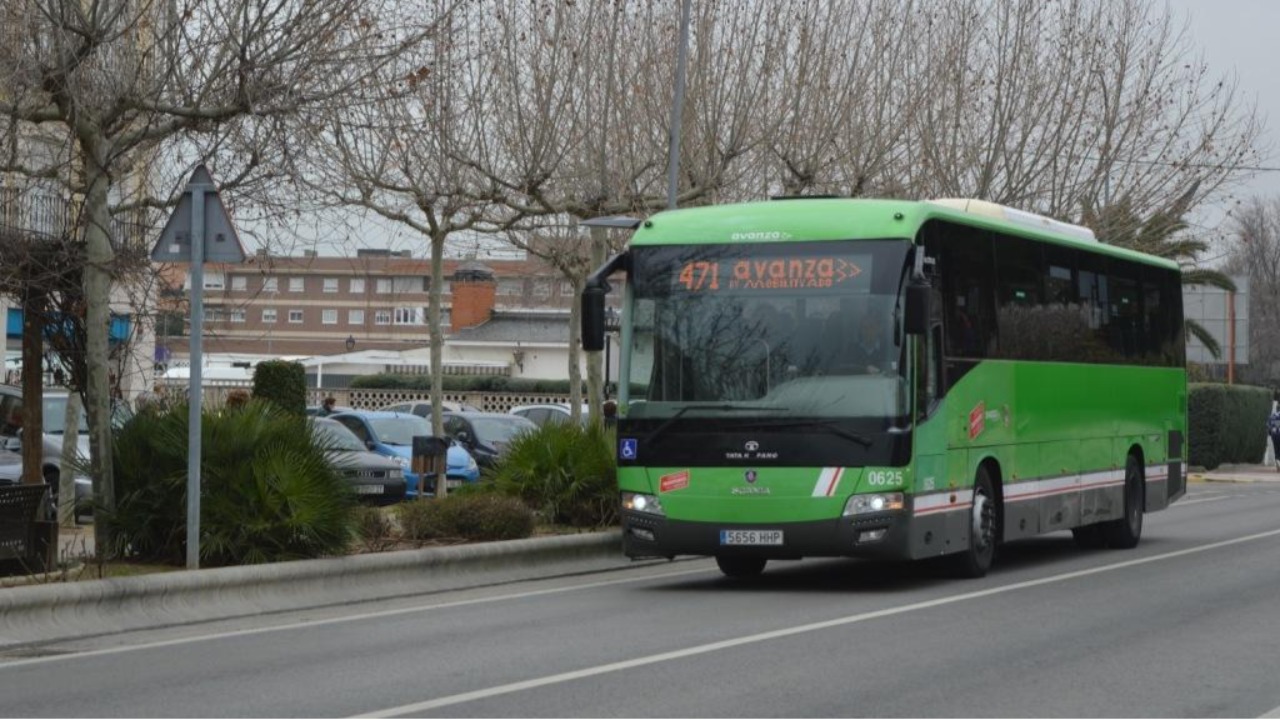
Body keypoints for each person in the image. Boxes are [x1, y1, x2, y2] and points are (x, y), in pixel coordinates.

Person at [1267, 403, 1280, 471]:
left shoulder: (1272, 416)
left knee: (1276, 449)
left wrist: (1271, 434)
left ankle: (1277, 460)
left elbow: (1269, 426)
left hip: (1274, 435)